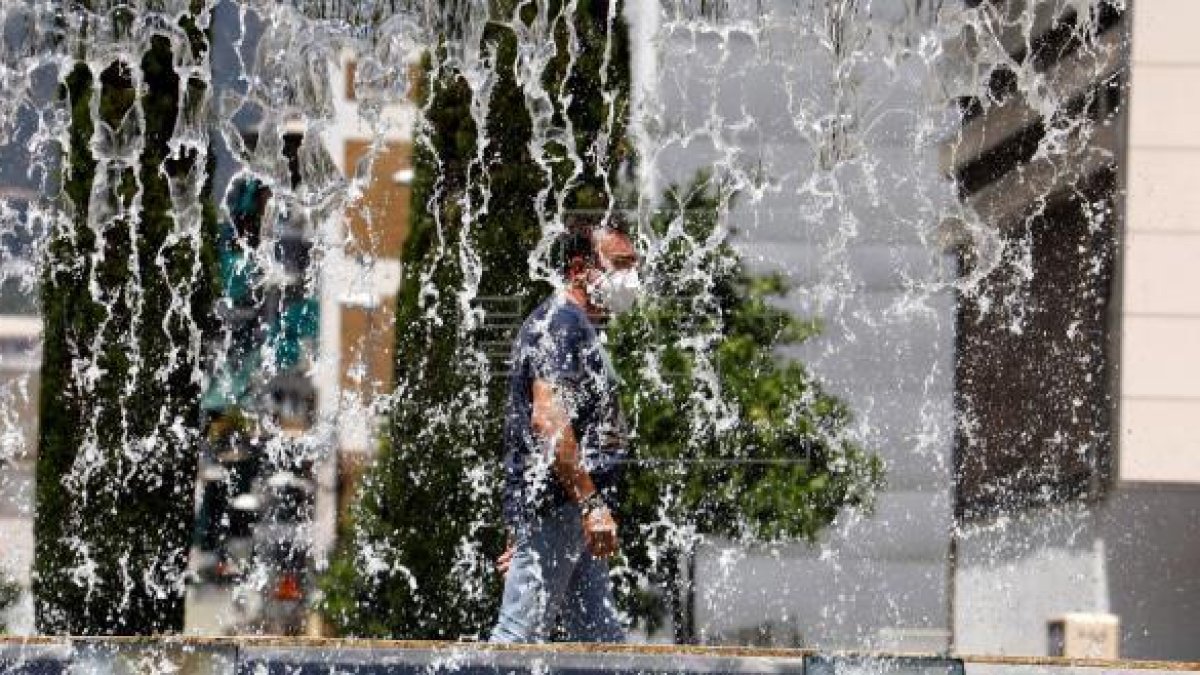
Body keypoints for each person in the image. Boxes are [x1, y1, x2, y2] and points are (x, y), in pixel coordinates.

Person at [489, 221, 641, 643]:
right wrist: (590, 504)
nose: (633, 278)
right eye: (622, 265)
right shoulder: (563, 323)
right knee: (517, 639)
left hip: (565, 510)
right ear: (580, 269)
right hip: (562, 506)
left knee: (601, 642)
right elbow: (546, 419)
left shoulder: (579, 326)